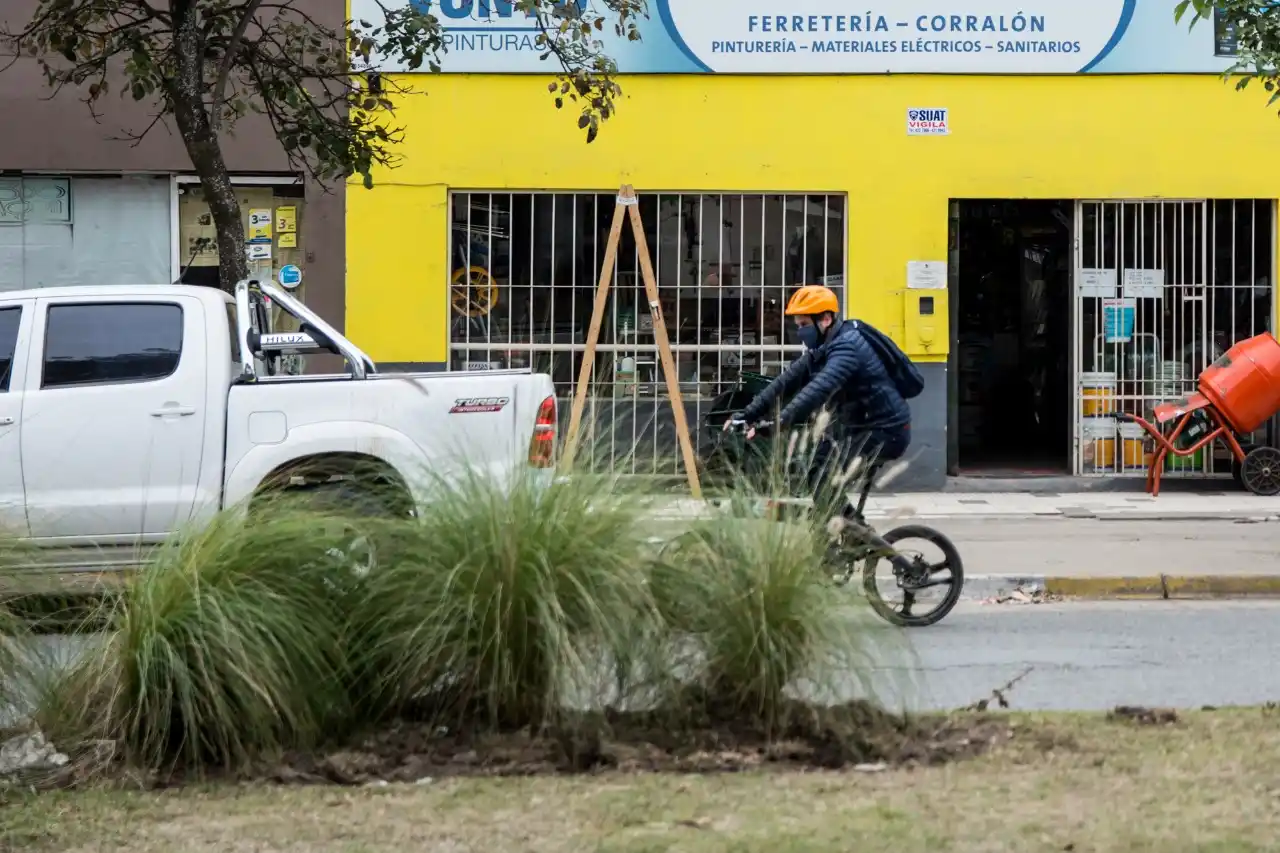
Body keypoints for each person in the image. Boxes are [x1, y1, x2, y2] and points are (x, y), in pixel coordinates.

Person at [725, 284, 911, 515]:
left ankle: (853, 533)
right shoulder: (824, 347)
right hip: (858, 426)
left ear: (824, 319)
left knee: (824, 477)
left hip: (885, 431)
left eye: (804, 325)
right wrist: (746, 414)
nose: (801, 332)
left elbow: (817, 390)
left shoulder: (848, 347)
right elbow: (785, 382)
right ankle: (842, 530)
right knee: (814, 467)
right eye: (798, 326)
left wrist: (778, 424)